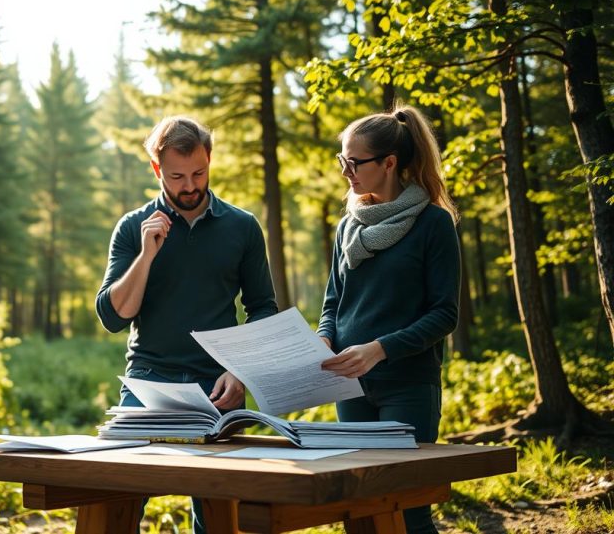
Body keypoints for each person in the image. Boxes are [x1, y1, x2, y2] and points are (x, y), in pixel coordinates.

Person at [96, 115, 277, 533]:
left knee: (221, 512)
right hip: (148, 381)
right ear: (158, 170)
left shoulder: (242, 227)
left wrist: (242, 370)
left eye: (199, 172)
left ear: (209, 159)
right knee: (117, 494)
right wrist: (146, 255)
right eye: (177, 176)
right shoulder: (132, 227)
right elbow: (111, 317)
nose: (190, 185)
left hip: (218, 384)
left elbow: (263, 308)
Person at [318, 105, 460, 534]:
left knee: (407, 511)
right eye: (342, 160)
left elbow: (444, 314)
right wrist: (323, 340)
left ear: (389, 163)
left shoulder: (434, 224)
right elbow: (332, 304)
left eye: (354, 162)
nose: (346, 171)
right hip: (351, 388)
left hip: (409, 387)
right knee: (359, 512)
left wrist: (380, 349)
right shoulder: (347, 227)